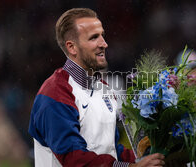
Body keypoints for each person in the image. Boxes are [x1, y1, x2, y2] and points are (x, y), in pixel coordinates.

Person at [28, 8, 165, 167]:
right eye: (94, 38)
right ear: (72, 47)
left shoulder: (104, 89)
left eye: (102, 36)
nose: (104, 44)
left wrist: (155, 158)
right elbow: (74, 159)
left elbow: (111, 149)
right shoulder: (54, 94)